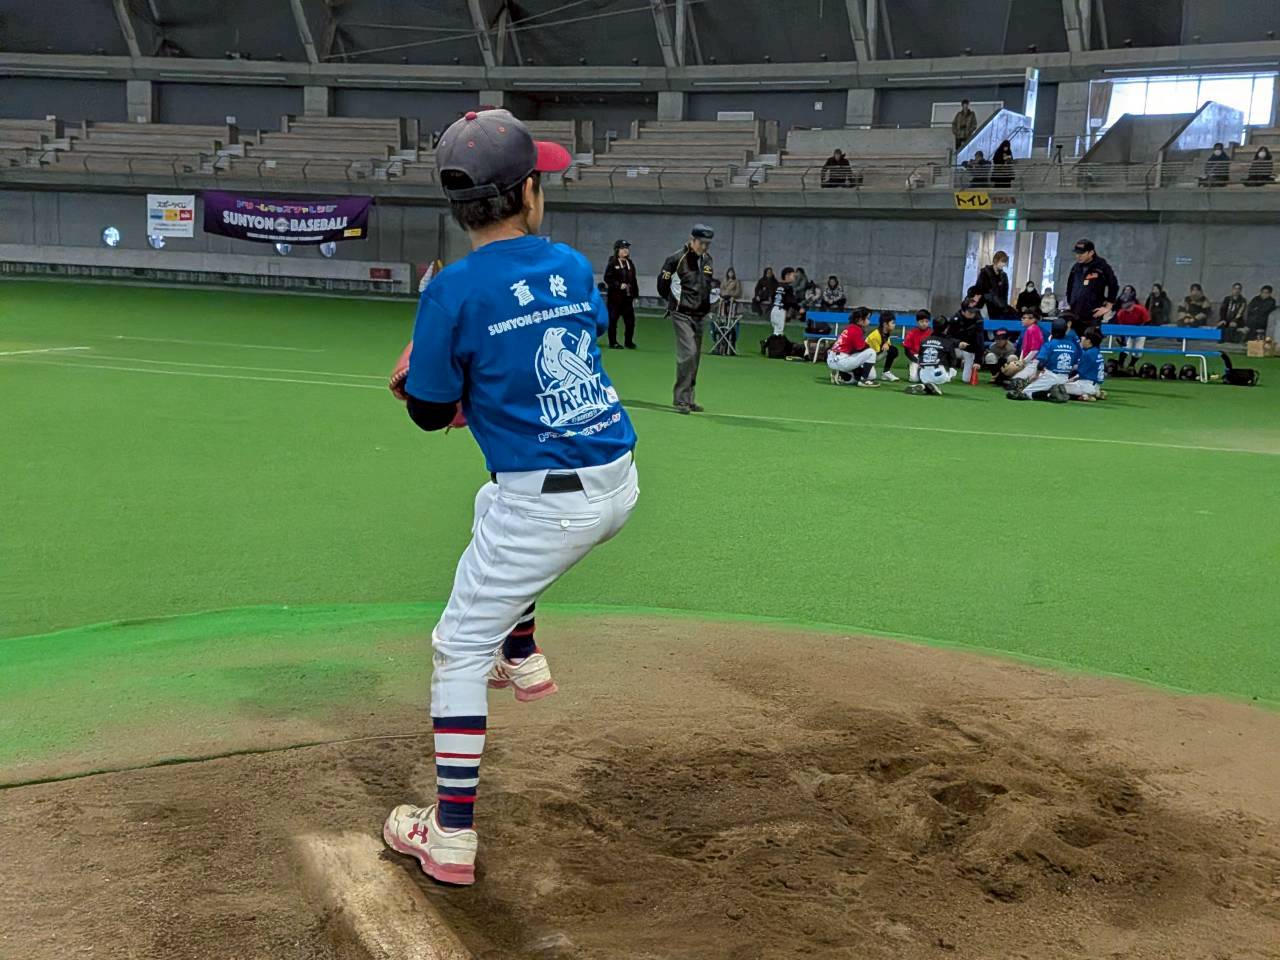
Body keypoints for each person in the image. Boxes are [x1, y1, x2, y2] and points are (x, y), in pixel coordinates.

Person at [382, 109, 638, 887]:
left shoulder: (451, 289)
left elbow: (430, 413)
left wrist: (425, 379)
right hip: (617, 477)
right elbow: (570, 340)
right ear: (527, 192)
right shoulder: (571, 264)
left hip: (546, 505)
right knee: (488, 510)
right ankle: (521, 653)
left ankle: (450, 836)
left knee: (457, 649)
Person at [658, 223, 715, 414]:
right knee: (688, 353)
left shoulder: (708, 260)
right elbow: (662, 285)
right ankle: (681, 399)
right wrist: (674, 302)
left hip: (701, 314)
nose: (704, 247)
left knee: (695, 357)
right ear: (692, 240)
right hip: (681, 313)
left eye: (707, 244)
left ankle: (689, 399)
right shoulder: (676, 259)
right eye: (701, 243)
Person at [1009, 319, 1079, 401]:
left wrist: (1036, 375)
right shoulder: (1073, 346)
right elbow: (1074, 365)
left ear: (1052, 330)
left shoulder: (1049, 345)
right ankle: (1052, 392)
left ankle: (1049, 395)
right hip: (1064, 378)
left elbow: (1041, 363)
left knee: (1025, 392)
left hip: (1050, 376)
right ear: (1066, 330)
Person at [1065, 239, 1118, 326]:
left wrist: (1108, 306)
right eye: (1077, 253)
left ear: (1091, 253)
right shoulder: (1076, 268)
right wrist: (1070, 302)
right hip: (1075, 311)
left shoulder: (1101, 267)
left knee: (1089, 334)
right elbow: (1070, 286)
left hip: (1093, 312)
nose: (1078, 256)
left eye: (1082, 253)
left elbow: (1113, 285)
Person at [826, 307, 879, 386]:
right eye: (867, 318)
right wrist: (868, 346)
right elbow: (860, 348)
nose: (869, 321)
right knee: (871, 352)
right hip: (841, 360)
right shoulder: (856, 329)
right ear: (860, 320)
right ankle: (863, 381)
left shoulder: (850, 328)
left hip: (833, 359)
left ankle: (842, 375)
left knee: (872, 375)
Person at [904, 323, 959, 396]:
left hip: (923, 375)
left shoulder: (924, 340)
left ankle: (924, 386)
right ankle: (931, 385)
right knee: (949, 373)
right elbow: (953, 360)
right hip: (939, 374)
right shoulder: (948, 342)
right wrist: (951, 373)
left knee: (928, 375)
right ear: (945, 329)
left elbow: (920, 357)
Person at [603, 239, 639, 349]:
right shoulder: (612, 263)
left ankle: (628, 342)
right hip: (615, 298)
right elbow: (607, 278)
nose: (625, 250)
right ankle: (613, 342)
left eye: (627, 248)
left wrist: (635, 295)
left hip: (627, 298)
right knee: (613, 321)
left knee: (630, 322)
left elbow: (634, 280)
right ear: (617, 250)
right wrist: (618, 285)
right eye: (623, 248)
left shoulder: (630, 263)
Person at [1005, 306, 1046, 388]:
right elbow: (1024, 348)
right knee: (1014, 381)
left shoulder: (1033, 329)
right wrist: (1020, 361)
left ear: (1032, 320)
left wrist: (1023, 362)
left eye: (1024, 318)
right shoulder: (1029, 329)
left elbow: (1035, 351)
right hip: (1029, 361)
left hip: (1035, 362)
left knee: (1015, 382)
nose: (1022, 319)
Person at [1065, 328, 1108, 401]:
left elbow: (1080, 374)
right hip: (1095, 385)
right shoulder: (1097, 352)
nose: (1081, 338)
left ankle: (1085, 396)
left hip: (1085, 386)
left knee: (1058, 388)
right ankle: (1096, 393)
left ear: (1088, 341)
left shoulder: (1088, 354)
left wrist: (1069, 380)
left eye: (1084, 337)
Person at [1114, 285, 1150, 369]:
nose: (1127, 308)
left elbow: (1147, 321)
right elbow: (1121, 327)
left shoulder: (1141, 309)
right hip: (1127, 331)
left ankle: (1131, 365)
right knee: (1125, 348)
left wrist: (1139, 330)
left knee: (1138, 351)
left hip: (1140, 331)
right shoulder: (1121, 313)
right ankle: (1120, 365)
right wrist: (1122, 338)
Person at [950, 295, 985, 382]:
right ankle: (947, 370)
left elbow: (980, 341)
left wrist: (977, 361)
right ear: (963, 311)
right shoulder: (955, 319)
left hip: (969, 350)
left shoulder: (978, 320)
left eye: (974, 311)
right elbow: (947, 337)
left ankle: (966, 365)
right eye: (970, 312)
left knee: (966, 379)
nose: (973, 314)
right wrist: (958, 343)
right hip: (955, 348)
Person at [974, 250, 1015, 318]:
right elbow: (979, 289)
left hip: (999, 306)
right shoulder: (985, 273)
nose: (1003, 264)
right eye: (1002, 261)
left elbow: (1005, 294)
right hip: (986, 304)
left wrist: (1004, 305)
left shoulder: (1004, 276)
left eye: (1005, 262)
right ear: (996, 260)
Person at [865, 311, 901, 382]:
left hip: (873, 356)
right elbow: (876, 353)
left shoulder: (886, 332)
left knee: (893, 350)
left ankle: (886, 372)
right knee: (871, 377)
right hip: (865, 359)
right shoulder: (875, 335)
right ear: (885, 324)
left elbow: (888, 346)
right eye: (892, 323)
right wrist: (885, 345)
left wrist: (886, 344)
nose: (894, 325)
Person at [903, 309, 933, 382]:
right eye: (922, 321)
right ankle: (912, 367)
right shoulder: (911, 333)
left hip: (929, 357)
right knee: (913, 379)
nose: (924, 324)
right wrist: (917, 361)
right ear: (917, 322)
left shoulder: (932, 333)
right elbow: (907, 352)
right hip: (916, 357)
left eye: (926, 321)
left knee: (930, 380)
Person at [770, 267, 800, 335]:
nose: (794, 278)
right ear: (787, 276)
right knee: (778, 333)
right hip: (781, 311)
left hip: (774, 310)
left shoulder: (777, 286)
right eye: (793, 276)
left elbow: (772, 297)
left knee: (776, 330)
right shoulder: (788, 288)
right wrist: (799, 309)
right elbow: (791, 301)